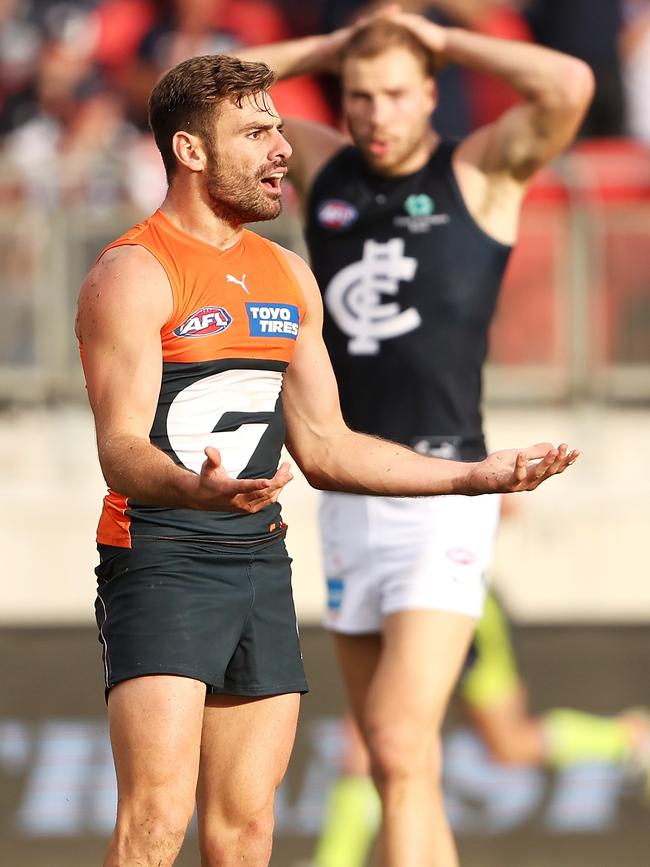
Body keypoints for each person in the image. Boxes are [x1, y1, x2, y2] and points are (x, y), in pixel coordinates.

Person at [75, 54, 578, 867]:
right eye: (256, 130)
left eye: (279, 127)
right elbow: (121, 448)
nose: (282, 149)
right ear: (190, 152)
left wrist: (472, 476)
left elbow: (329, 445)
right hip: (161, 560)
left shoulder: (289, 276)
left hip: (260, 561)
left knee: (246, 831)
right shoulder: (134, 273)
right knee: (156, 822)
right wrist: (196, 489)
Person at [235, 11, 594, 867]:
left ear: (430, 92)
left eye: (396, 93)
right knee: (404, 768)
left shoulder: (477, 171)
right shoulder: (324, 163)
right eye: (358, 95)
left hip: (443, 495)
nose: (376, 114)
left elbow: (571, 87)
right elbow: (202, 84)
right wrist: (328, 49)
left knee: (396, 743)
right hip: (346, 493)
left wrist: (440, 37)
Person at [313, 588, 650, 867]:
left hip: (458, 598)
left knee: (508, 744)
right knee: (373, 741)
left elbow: (507, 507)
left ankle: (631, 738)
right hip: (397, 599)